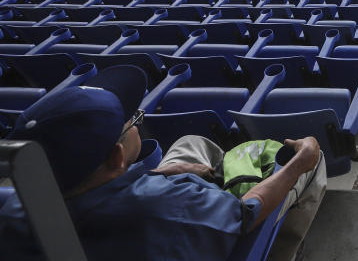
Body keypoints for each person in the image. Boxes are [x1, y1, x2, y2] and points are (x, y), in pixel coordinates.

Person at [0, 65, 325, 261]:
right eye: (132, 121)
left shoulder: (13, 207)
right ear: (116, 156)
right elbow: (246, 214)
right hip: (211, 223)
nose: (136, 121)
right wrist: (299, 163)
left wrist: (158, 172)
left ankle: (220, 169)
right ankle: (282, 249)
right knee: (312, 159)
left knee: (190, 144)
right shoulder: (170, 204)